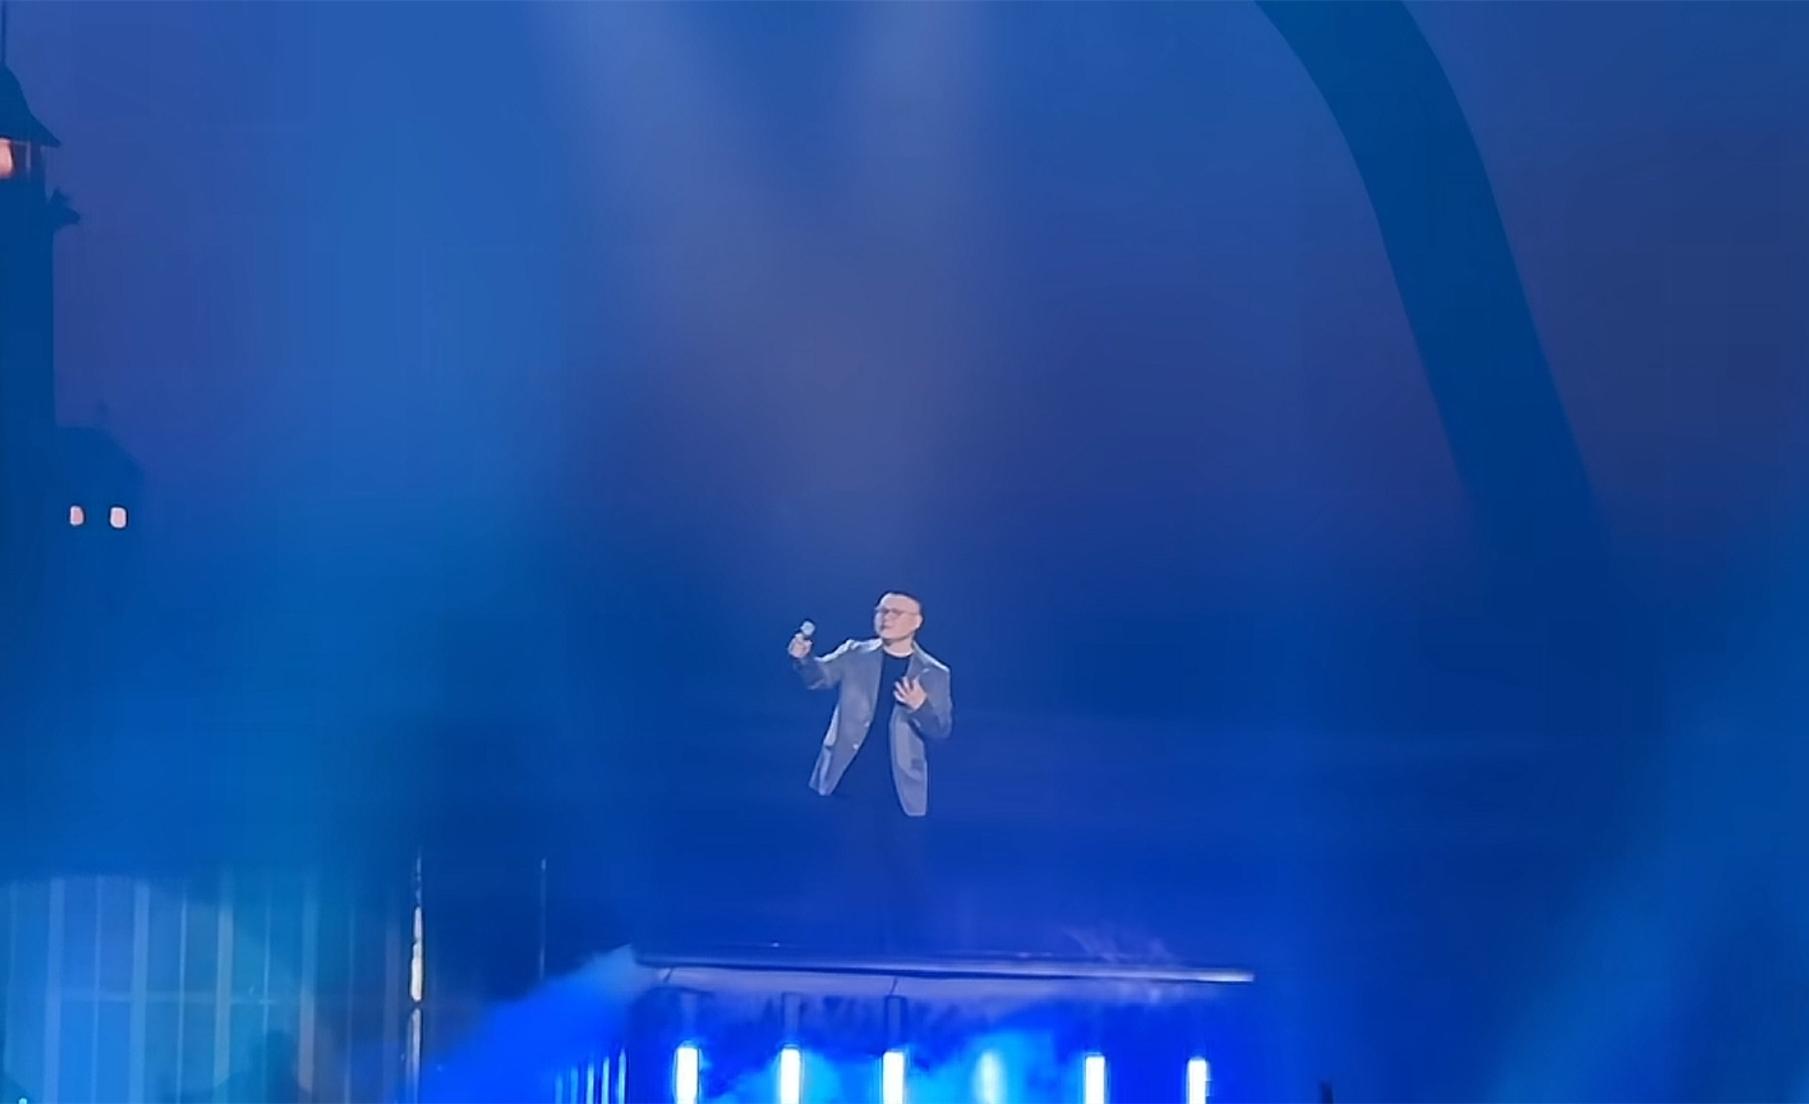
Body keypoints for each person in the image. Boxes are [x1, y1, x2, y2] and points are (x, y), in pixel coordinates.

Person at [789, 592, 953, 951]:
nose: (886, 617)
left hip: (899, 786)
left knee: (906, 873)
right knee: (849, 869)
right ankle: (847, 949)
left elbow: (941, 729)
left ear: (916, 622)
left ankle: (912, 952)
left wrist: (920, 706)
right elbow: (820, 678)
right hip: (849, 780)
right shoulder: (855, 653)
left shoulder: (934, 673)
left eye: (896, 612)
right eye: (882, 610)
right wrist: (804, 660)